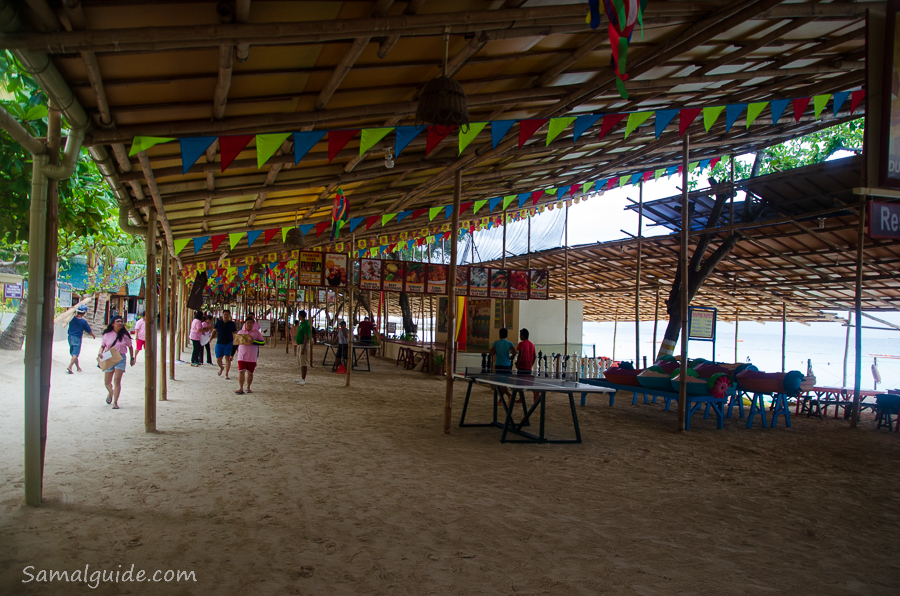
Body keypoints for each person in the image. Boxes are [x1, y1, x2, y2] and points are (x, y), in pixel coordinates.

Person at [98, 316, 134, 409]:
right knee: (107, 382)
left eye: (121, 321)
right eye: (118, 321)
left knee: (117, 380)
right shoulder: (107, 335)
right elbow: (103, 345)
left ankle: (115, 402)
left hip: (121, 358)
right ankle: (111, 392)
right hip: (109, 356)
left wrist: (132, 358)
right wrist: (100, 352)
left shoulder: (125, 335)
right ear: (113, 323)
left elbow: (130, 346)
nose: (120, 323)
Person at [235, 318, 264, 395]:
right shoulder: (240, 332)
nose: (249, 324)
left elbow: (262, 343)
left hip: (252, 356)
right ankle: (241, 388)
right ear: (245, 323)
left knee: (250, 372)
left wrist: (253, 341)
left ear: (253, 324)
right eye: (248, 323)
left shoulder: (257, 333)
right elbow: (236, 344)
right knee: (241, 371)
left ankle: (248, 387)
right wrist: (231, 354)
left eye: (251, 323)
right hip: (242, 355)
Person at [66, 305, 95, 374]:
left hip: (70, 337)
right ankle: (70, 366)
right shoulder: (83, 322)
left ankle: (78, 368)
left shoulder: (72, 319)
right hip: (77, 337)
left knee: (73, 353)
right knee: (75, 353)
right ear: (84, 313)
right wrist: (93, 335)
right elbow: (89, 331)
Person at [515, 328, 540, 403]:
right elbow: (535, 356)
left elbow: (520, 354)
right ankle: (535, 392)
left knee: (519, 383)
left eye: (520, 334)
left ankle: (521, 398)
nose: (520, 336)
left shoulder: (521, 344)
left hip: (522, 366)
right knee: (528, 382)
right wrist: (531, 364)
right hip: (528, 367)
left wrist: (518, 363)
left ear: (523, 335)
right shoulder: (532, 344)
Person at [213, 310, 238, 379]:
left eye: (227, 315)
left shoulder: (232, 324)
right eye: (225, 314)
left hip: (229, 343)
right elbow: (214, 331)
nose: (226, 316)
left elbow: (235, 333)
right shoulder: (218, 322)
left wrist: (236, 342)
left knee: (228, 359)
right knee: (218, 359)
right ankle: (221, 367)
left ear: (229, 316)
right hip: (219, 343)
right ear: (222, 315)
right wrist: (211, 338)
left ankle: (226, 374)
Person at [294, 310, 312, 385]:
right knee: (301, 362)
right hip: (299, 344)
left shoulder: (306, 325)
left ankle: (303, 378)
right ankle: (301, 377)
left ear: (300, 316)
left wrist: (304, 347)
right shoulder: (301, 324)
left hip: (303, 345)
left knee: (304, 362)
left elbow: (306, 336)